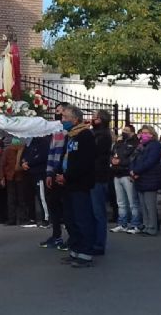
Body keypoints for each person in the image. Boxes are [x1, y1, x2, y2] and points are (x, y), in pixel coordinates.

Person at [56, 105, 97, 268]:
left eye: (65, 117)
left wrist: (67, 175)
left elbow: (83, 162)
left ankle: (86, 253)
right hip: (68, 184)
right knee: (70, 219)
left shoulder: (85, 135)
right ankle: (75, 250)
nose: (63, 120)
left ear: (75, 119)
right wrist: (60, 173)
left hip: (79, 184)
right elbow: (66, 157)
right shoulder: (71, 136)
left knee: (82, 219)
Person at [41, 102, 71, 250]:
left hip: (63, 173)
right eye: (56, 111)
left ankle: (72, 237)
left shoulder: (69, 131)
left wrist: (61, 172)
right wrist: (49, 173)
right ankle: (56, 235)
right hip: (53, 171)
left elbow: (65, 153)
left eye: (60, 112)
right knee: (52, 204)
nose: (57, 114)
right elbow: (51, 152)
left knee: (66, 207)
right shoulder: (55, 130)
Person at [131, 125, 161, 236]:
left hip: (150, 178)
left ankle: (152, 227)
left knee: (150, 205)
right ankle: (146, 225)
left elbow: (150, 162)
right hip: (140, 178)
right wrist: (133, 171)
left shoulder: (156, 146)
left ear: (152, 134)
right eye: (142, 132)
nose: (143, 135)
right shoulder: (140, 146)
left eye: (146, 133)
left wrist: (136, 171)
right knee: (143, 205)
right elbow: (134, 158)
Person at [89, 110, 113, 254]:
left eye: (94, 117)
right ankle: (93, 240)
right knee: (93, 211)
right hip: (94, 176)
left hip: (99, 176)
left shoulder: (103, 135)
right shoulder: (95, 133)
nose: (92, 119)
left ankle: (99, 244)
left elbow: (95, 152)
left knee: (98, 212)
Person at [111, 124, 142, 234]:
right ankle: (122, 223)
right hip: (117, 173)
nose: (124, 131)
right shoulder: (119, 143)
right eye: (123, 129)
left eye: (126, 130)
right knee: (120, 202)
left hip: (127, 174)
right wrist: (112, 161)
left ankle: (135, 224)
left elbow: (133, 158)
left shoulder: (135, 143)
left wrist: (121, 162)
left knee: (132, 201)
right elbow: (112, 154)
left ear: (132, 132)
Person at [21, 134, 51, 228]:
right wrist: (23, 163)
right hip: (29, 174)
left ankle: (46, 218)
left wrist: (29, 163)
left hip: (39, 173)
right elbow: (24, 155)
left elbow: (42, 156)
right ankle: (32, 218)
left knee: (42, 197)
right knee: (30, 197)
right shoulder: (29, 143)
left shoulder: (43, 142)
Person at [1, 137, 25, 225]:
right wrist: (2, 177)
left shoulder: (22, 150)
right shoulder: (8, 151)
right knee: (11, 199)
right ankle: (12, 219)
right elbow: (3, 164)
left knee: (21, 199)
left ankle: (22, 218)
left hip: (19, 177)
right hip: (10, 177)